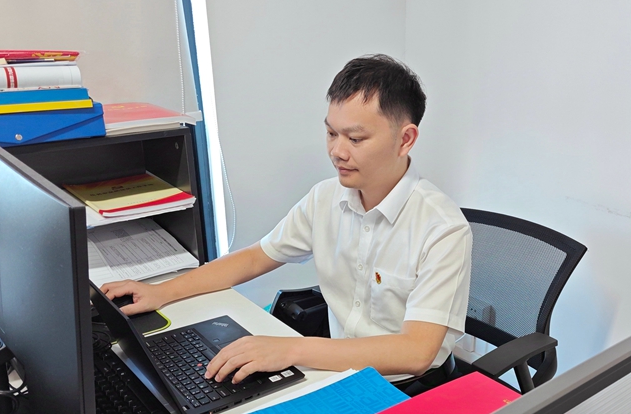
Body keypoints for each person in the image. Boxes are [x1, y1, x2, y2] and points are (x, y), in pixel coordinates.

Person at [101, 54, 471, 386]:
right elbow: (255, 257)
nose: (337, 151)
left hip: (409, 388)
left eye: (356, 139)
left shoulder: (442, 228)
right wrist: (162, 291)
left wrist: (290, 349)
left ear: (405, 140)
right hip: (337, 370)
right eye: (331, 133)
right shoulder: (325, 198)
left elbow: (415, 352)